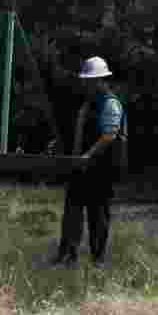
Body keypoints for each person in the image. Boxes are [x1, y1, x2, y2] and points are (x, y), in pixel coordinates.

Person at [54, 57, 127, 267]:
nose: (87, 84)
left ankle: (98, 260)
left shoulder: (111, 104)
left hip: (101, 170)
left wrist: (89, 155)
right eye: (86, 81)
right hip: (81, 167)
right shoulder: (87, 104)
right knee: (72, 212)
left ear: (102, 80)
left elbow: (109, 136)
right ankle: (67, 256)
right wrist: (77, 157)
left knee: (98, 216)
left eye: (91, 80)